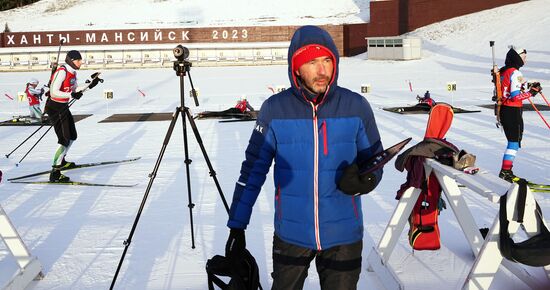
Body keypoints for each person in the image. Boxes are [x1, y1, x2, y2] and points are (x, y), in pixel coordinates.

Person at [224, 25, 383, 290]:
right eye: (311, 62)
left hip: (344, 235)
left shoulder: (356, 106)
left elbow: (375, 159)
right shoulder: (275, 110)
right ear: (296, 68)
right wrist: (237, 225)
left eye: (327, 61)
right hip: (291, 234)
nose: (322, 71)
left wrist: (367, 179)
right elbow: (252, 171)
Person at [44, 50, 100, 182]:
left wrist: (90, 84)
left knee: (72, 136)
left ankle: (61, 160)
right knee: (64, 139)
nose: (80, 62)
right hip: (54, 107)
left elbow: (74, 89)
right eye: (78, 60)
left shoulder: (73, 72)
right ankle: (55, 173)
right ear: (70, 60)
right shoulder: (62, 71)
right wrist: (71, 95)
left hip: (63, 107)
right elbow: (53, 92)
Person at [497, 46, 542, 182]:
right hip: (512, 110)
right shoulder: (515, 72)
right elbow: (515, 97)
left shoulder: (505, 71)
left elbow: (515, 85)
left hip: (506, 110)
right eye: (523, 57)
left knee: (514, 142)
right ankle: (505, 171)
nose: (525, 60)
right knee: (514, 143)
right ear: (517, 57)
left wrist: (530, 86)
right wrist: (531, 93)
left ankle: (506, 171)